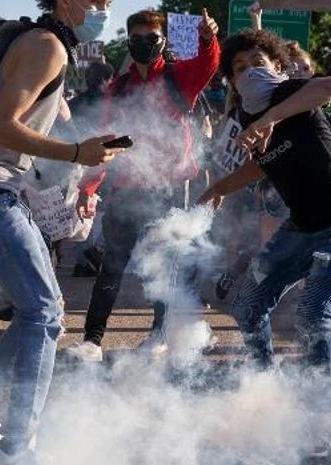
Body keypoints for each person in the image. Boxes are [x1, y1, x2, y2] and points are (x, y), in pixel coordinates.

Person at [0, 1, 125, 463]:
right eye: (95, 0)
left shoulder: (43, 44)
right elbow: (1, 127)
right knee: (43, 313)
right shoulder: (46, 45)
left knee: (43, 309)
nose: (103, 7)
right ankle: (18, 448)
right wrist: (76, 152)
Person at [198, 29, 331, 388]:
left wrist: (270, 119)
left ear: (278, 66)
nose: (249, 71)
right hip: (300, 229)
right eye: (240, 67)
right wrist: (219, 187)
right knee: (247, 308)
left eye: (258, 62)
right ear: (232, 80)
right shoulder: (247, 117)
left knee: (312, 313)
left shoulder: (291, 91)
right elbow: (263, 164)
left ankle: (316, 414)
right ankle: (266, 388)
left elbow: (330, 87)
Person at [68, 8, 219, 362]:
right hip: (127, 186)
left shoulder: (179, 78)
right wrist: (88, 188)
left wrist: (208, 38)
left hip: (169, 188)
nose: (143, 44)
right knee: (112, 265)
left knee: (164, 264)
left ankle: (159, 336)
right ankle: (92, 340)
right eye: (136, 39)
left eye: (151, 38)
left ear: (163, 41)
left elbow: (208, 64)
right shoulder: (118, 88)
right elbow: (108, 141)